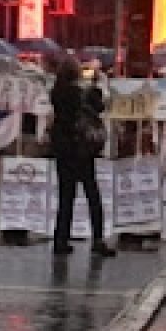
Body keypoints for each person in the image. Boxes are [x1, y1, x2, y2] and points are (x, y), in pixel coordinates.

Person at [50, 57, 115, 258]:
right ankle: (98, 239)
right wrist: (97, 83)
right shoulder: (83, 93)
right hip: (82, 150)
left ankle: (61, 239)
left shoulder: (56, 92)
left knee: (66, 197)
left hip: (63, 150)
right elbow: (100, 106)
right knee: (92, 195)